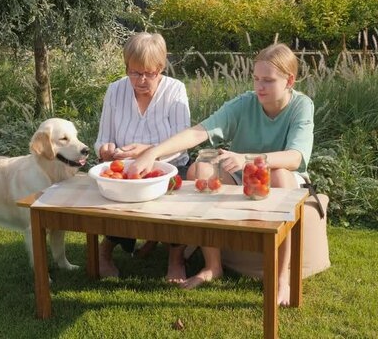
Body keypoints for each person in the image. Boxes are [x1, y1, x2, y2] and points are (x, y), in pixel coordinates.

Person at [128, 43, 314, 306]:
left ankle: (282, 277)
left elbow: (295, 158)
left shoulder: (301, 106)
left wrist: (248, 159)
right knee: (201, 169)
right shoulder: (244, 103)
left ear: (289, 81)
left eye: (268, 81)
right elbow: (198, 132)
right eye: (256, 79)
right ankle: (213, 266)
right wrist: (152, 153)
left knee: (282, 175)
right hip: (241, 175)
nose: (259, 87)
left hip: (278, 176)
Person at [94, 32, 191, 281]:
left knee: (173, 200)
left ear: (161, 67)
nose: (141, 80)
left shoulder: (175, 90)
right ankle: (105, 251)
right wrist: (105, 149)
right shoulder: (115, 90)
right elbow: (103, 139)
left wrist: (148, 151)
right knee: (119, 196)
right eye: (135, 72)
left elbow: (182, 145)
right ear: (126, 67)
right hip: (127, 169)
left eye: (149, 73)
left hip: (169, 168)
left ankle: (175, 258)